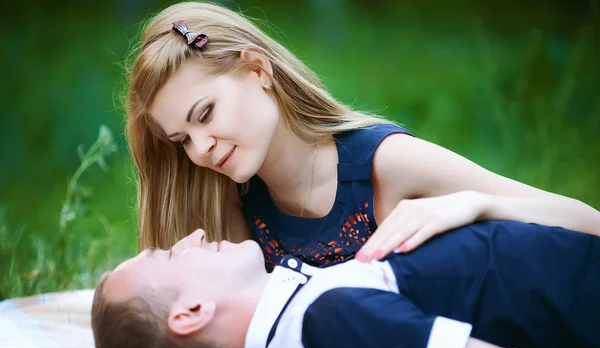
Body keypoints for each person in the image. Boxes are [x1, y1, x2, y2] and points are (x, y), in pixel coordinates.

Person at [126, 1, 600, 273]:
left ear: (257, 69)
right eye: (182, 140)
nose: (201, 148)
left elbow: (585, 222)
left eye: (205, 114)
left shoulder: (384, 164)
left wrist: (477, 204)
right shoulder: (235, 201)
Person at [88, 221, 600, 348]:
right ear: (192, 311)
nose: (193, 236)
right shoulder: (331, 326)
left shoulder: (294, 330)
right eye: (172, 255)